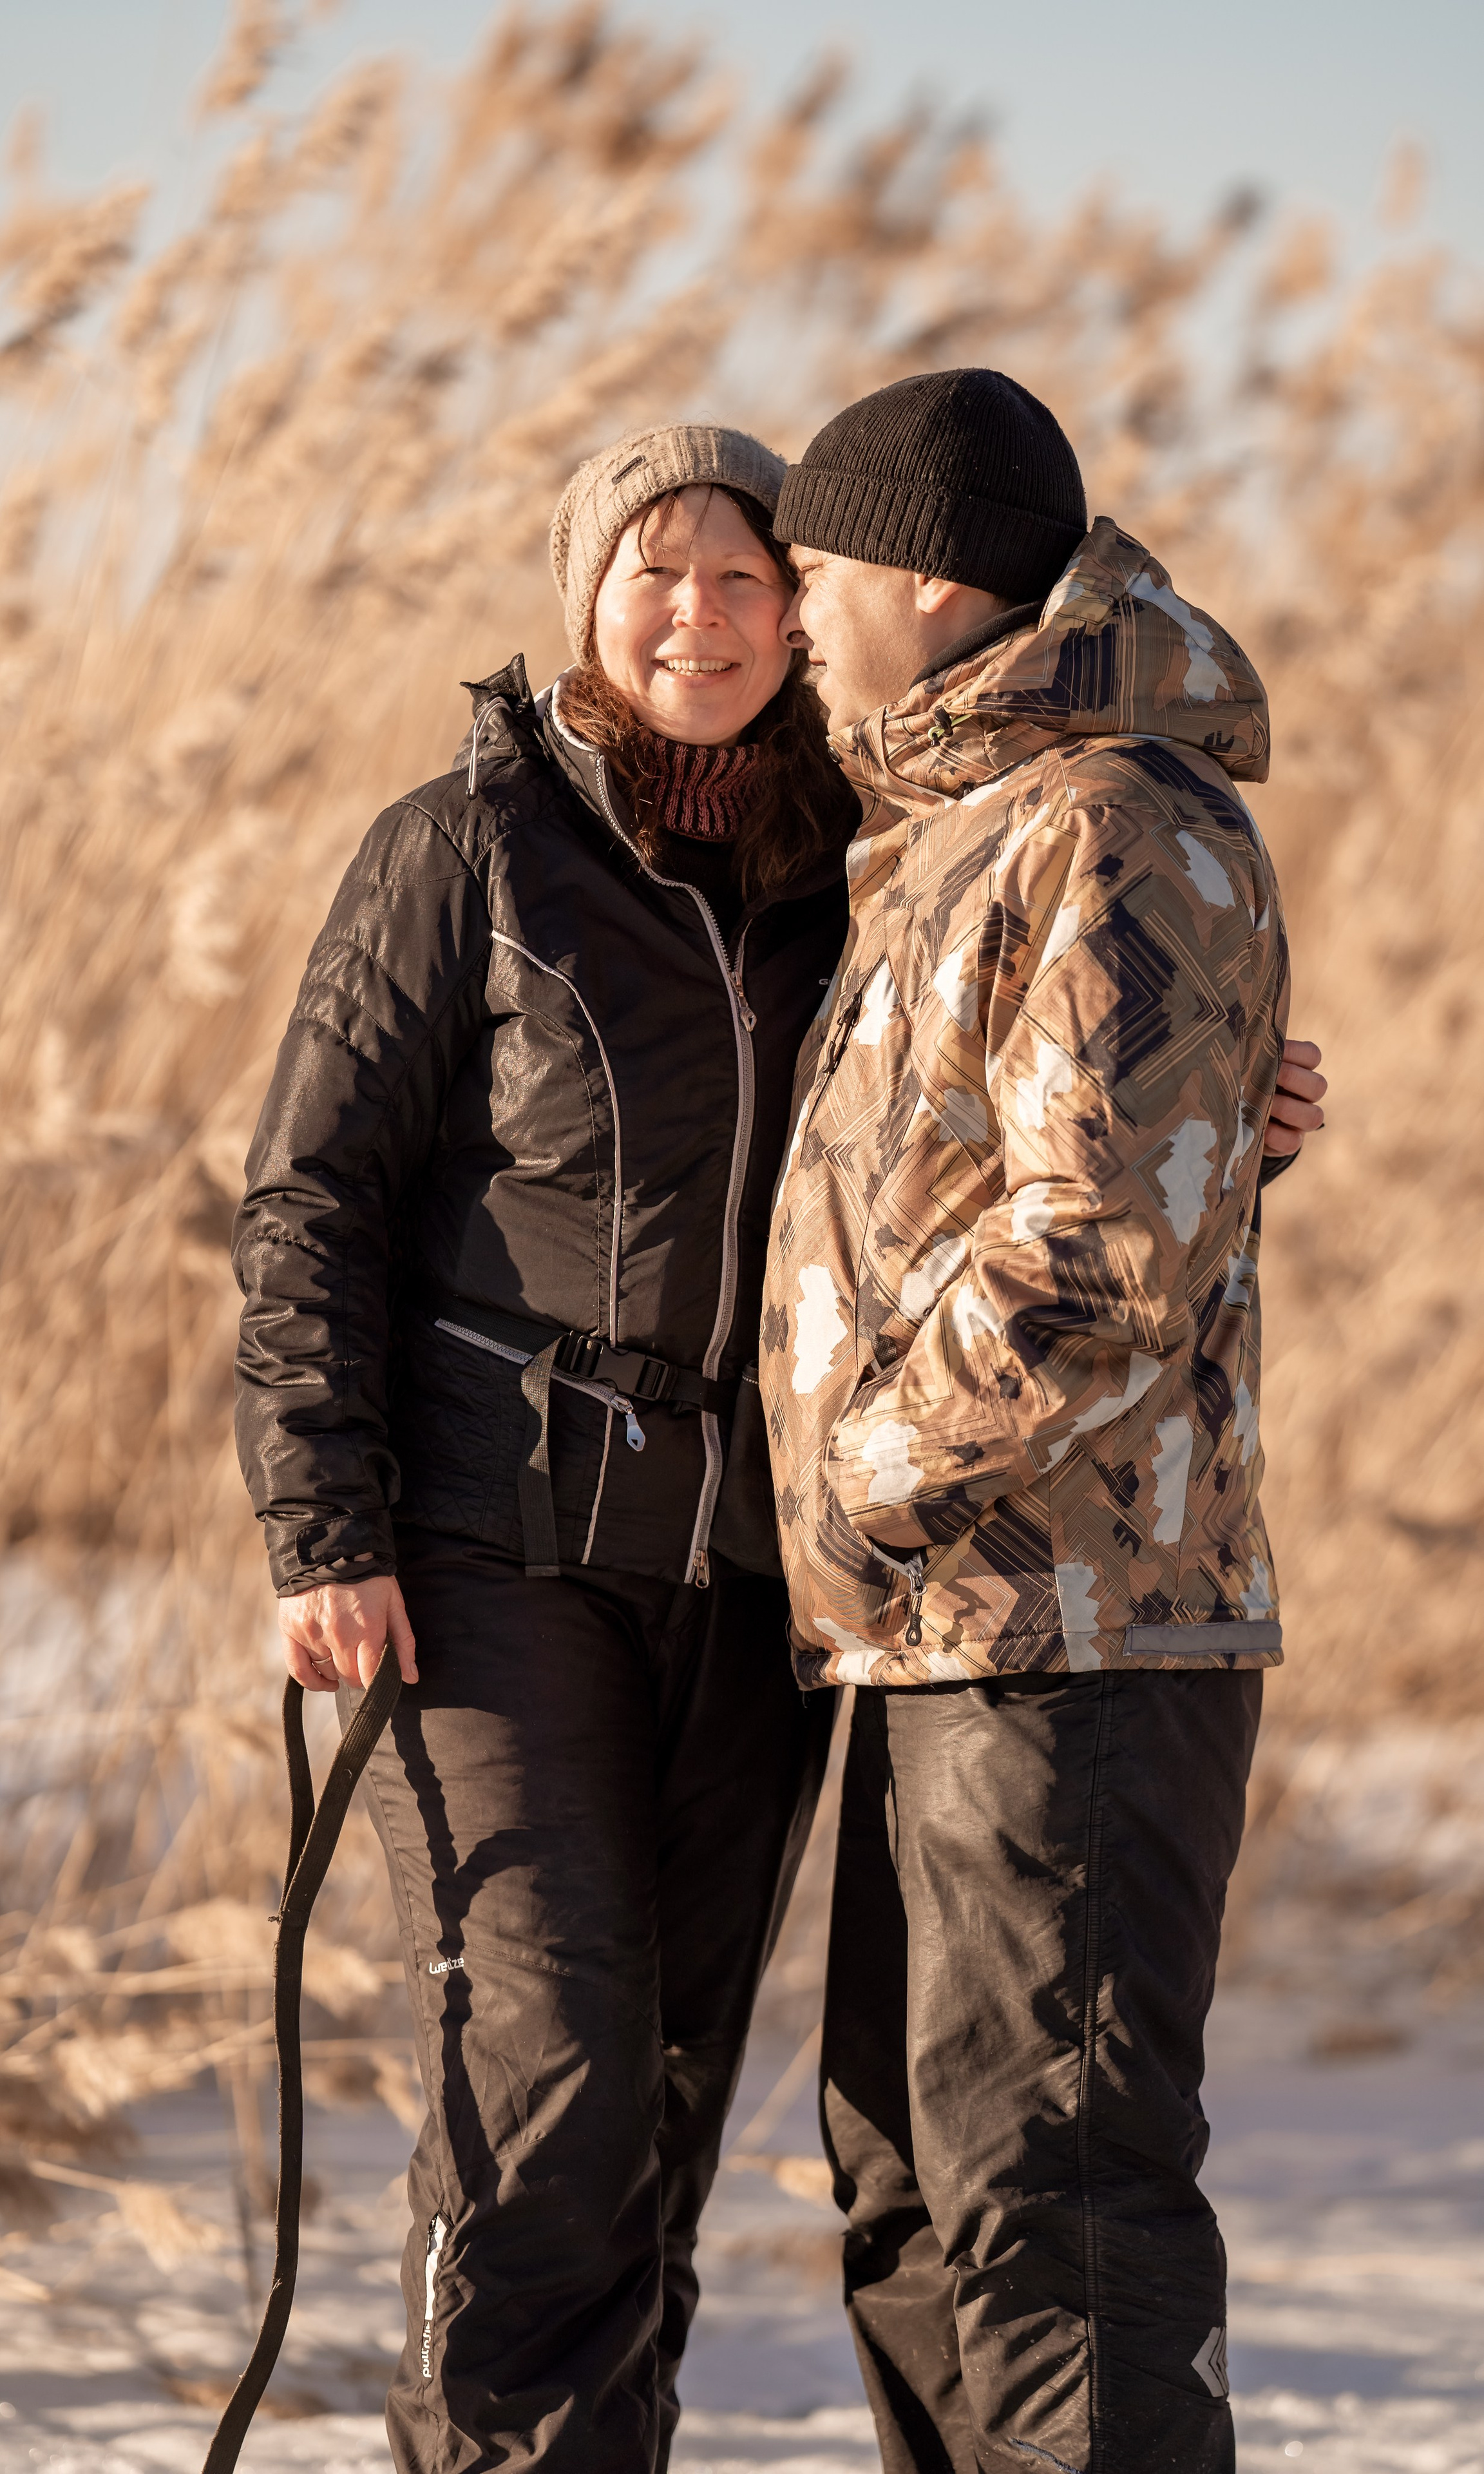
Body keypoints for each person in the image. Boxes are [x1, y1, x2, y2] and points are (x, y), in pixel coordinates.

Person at [233, 407, 1322, 2472]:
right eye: (660, 570)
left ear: (889, 586)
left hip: (834, 1594)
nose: (732, 614)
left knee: (792, 2151)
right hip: (537, 1556)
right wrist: (322, 1519)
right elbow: (312, 1203)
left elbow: (1073, 1196)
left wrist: (1229, 1103)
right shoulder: (480, 847)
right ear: (580, 601)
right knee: (598, 2116)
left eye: (766, 571)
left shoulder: (909, 842)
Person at [760, 367, 1317, 2474]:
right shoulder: (974, 831)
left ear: (924, 580)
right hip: (958, 1626)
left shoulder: (1109, 822)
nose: (797, 616)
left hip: (1068, 1624)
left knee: (1060, 2222)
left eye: (815, 574)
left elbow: (1099, 1258)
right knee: (918, 2199)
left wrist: (862, 1474)